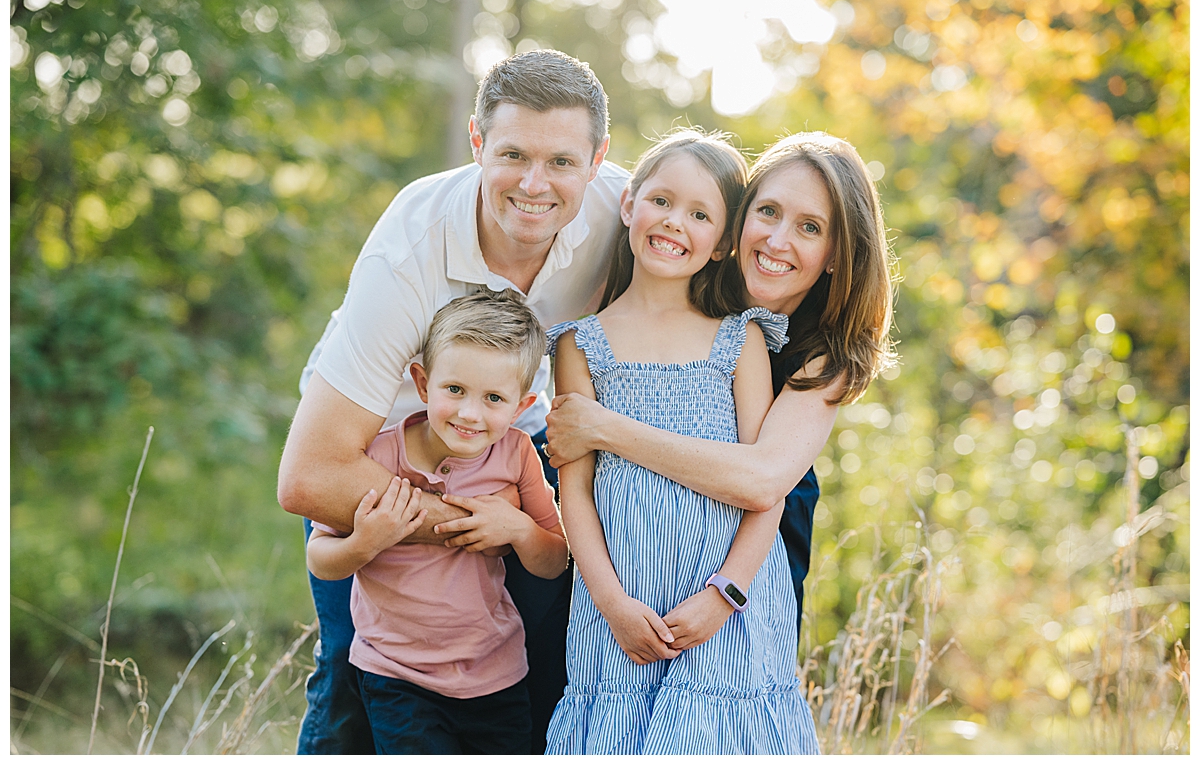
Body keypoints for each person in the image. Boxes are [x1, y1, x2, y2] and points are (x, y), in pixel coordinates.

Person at [277, 49, 627, 755]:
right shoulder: (407, 251)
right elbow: (311, 475)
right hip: (386, 449)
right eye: (512, 155)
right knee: (355, 683)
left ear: (597, 160)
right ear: (475, 141)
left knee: (544, 674)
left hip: (511, 450)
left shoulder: (628, 213)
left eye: (562, 161)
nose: (535, 184)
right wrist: (476, 526)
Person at [544, 131, 897, 638]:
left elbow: (762, 482)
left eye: (810, 227)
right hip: (622, 547)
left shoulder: (824, 352)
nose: (777, 241)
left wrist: (602, 428)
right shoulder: (679, 278)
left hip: (748, 549)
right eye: (769, 212)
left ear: (837, 253)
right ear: (738, 223)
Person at [543, 129, 820, 754]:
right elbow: (577, 496)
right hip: (620, 607)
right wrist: (610, 603)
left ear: (723, 243)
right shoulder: (580, 344)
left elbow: (765, 487)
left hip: (729, 609)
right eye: (662, 201)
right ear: (628, 205)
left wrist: (724, 597)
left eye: (700, 214)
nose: (675, 223)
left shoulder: (741, 338)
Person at [306, 290, 569, 754]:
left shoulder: (517, 454)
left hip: (495, 674)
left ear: (523, 406)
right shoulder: (378, 455)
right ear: (423, 384)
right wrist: (363, 544)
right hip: (397, 675)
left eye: (493, 398)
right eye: (455, 391)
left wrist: (518, 529)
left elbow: (554, 559)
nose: (470, 413)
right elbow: (320, 557)